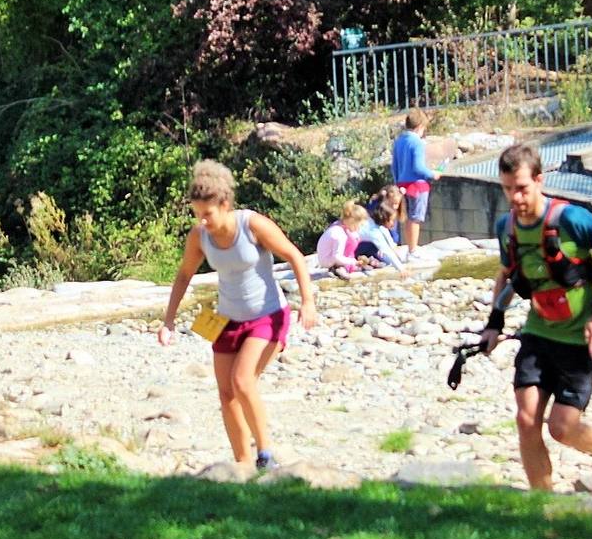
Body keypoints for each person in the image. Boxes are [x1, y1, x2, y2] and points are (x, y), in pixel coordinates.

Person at [477, 143, 592, 497]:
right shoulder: (507, 228)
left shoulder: (571, 220)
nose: (514, 197)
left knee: (562, 428)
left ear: (539, 180)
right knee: (526, 419)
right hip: (537, 333)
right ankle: (543, 506)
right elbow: (506, 275)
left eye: (521, 188)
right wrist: (494, 323)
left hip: (579, 339)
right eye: (507, 189)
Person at [158, 160, 319, 470]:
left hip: (267, 315)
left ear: (225, 204)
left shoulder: (252, 225)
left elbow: (295, 257)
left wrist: (307, 302)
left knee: (243, 381)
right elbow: (183, 276)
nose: (202, 221)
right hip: (226, 320)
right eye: (196, 214)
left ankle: (266, 455)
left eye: (208, 214)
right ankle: (242, 466)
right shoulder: (199, 236)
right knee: (226, 393)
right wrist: (169, 321)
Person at [391, 109, 441, 256]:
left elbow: (394, 166)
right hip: (417, 186)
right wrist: (432, 174)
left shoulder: (399, 141)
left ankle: (409, 247)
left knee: (407, 218)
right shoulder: (417, 142)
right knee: (416, 218)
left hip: (402, 184)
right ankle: (413, 251)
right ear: (420, 126)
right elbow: (418, 167)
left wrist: (397, 183)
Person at [317, 202, 376, 278]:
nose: (359, 228)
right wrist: (354, 262)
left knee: (354, 238)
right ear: (352, 220)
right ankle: (339, 268)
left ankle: (347, 267)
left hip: (328, 257)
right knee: (352, 242)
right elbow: (337, 257)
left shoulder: (339, 225)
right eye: (359, 225)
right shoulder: (340, 234)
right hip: (328, 260)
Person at [354, 194, 407, 276]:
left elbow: (388, 240)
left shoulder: (374, 223)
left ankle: (369, 260)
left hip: (356, 245)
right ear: (384, 218)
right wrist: (401, 269)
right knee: (375, 247)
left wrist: (394, 248)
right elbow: (386, 251)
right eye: (391, 220)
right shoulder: (374, 231)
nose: (393, 223)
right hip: (354, 248)